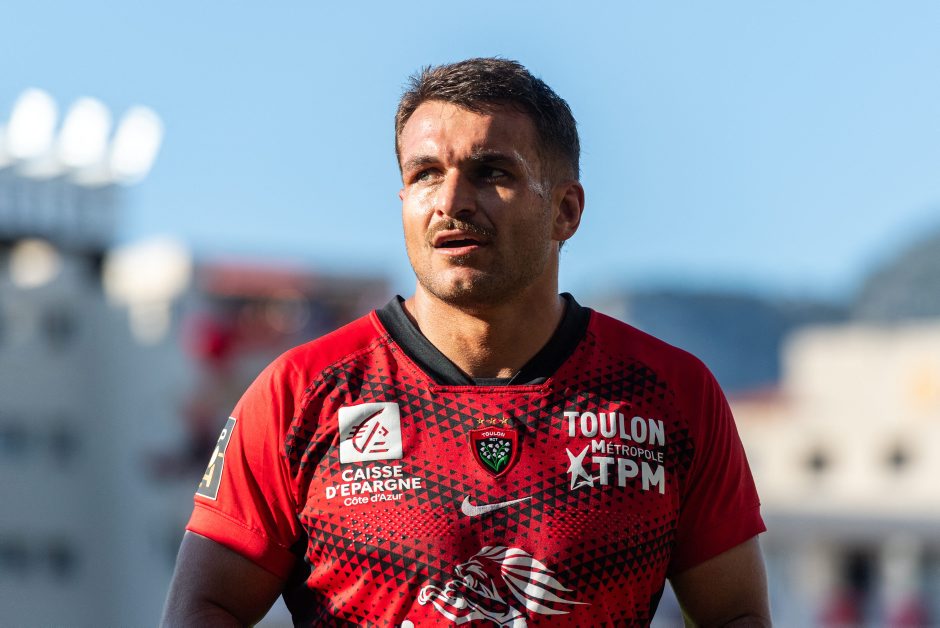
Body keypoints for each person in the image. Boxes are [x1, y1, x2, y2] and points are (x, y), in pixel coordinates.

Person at [162, 57, 771, 627]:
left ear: (565, 210)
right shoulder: (301, 392)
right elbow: (206, 606)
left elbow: (735, 614)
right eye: (425, 174)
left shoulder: (670, 395)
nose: (451, 202)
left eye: (491, 172)